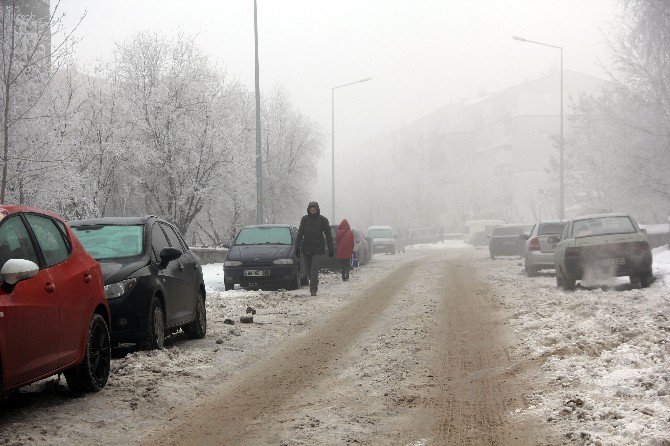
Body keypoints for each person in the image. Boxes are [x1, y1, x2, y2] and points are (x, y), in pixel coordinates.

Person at [295, 201, 334, 296]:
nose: (313, 211)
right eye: (311, 210)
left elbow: (328, 235)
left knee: (314, 268)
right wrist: (297, 247)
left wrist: (331, 248)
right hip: (306, 248)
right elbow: (300, 234)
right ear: (308, 210)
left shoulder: (323, 220)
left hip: (317, 248)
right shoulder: (304, 219)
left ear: (317, 210)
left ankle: (313, 289)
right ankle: (314, 280)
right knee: (308, 270)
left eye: (314, 210)